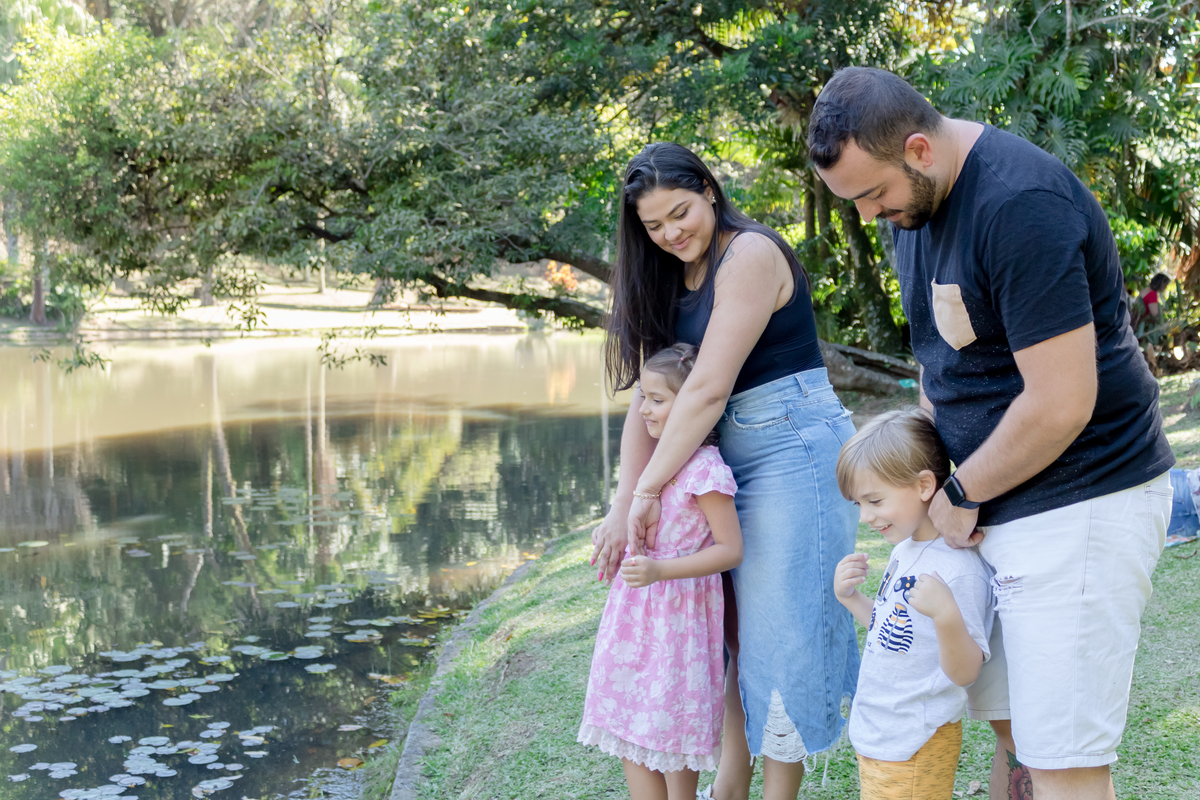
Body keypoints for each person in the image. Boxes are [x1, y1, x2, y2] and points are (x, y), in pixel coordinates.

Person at [808, 67, 1174, 800]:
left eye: (874, 193)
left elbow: (1063, 400)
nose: (872, 214)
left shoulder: (1018, 204)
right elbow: (938, 367)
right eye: (855, 202)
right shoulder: (912, 213)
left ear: (918, 148)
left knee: (1064, 759)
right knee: (1012, 733)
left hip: (1080, 502)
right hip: (989, 513)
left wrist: (962, 489)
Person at [591, 142, 859, 800]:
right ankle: (728, 788)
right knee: (724, 634)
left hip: (788, 451)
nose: (671, 234)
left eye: (680, 214)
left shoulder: (750, 254)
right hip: (709, 459)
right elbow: (651, 398)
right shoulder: (664, 276)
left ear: (709, 190)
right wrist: (625, 502)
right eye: (653, 227)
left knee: (780, 640)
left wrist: (652, 489)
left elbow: (707, 388)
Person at [579, 343, 743, 800]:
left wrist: (660, 570)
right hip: (635, 623)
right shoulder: (651, 465)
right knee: (631, 725)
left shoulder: (705, 471)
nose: (644, 409)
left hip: (678, 626)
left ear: (690, 404)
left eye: (657, 399)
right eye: (642, 397)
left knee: (671, 732)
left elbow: (731, 550)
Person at [833, 408, 994, 800]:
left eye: (874, 500)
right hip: (882, 734)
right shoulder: (906, 549)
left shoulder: (957, 570)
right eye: (859, 505)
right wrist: (850, 598)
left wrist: (947, 615)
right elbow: (895, 632)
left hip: (914, 740)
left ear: (924, 485)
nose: (866, 517)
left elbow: (966, 670)